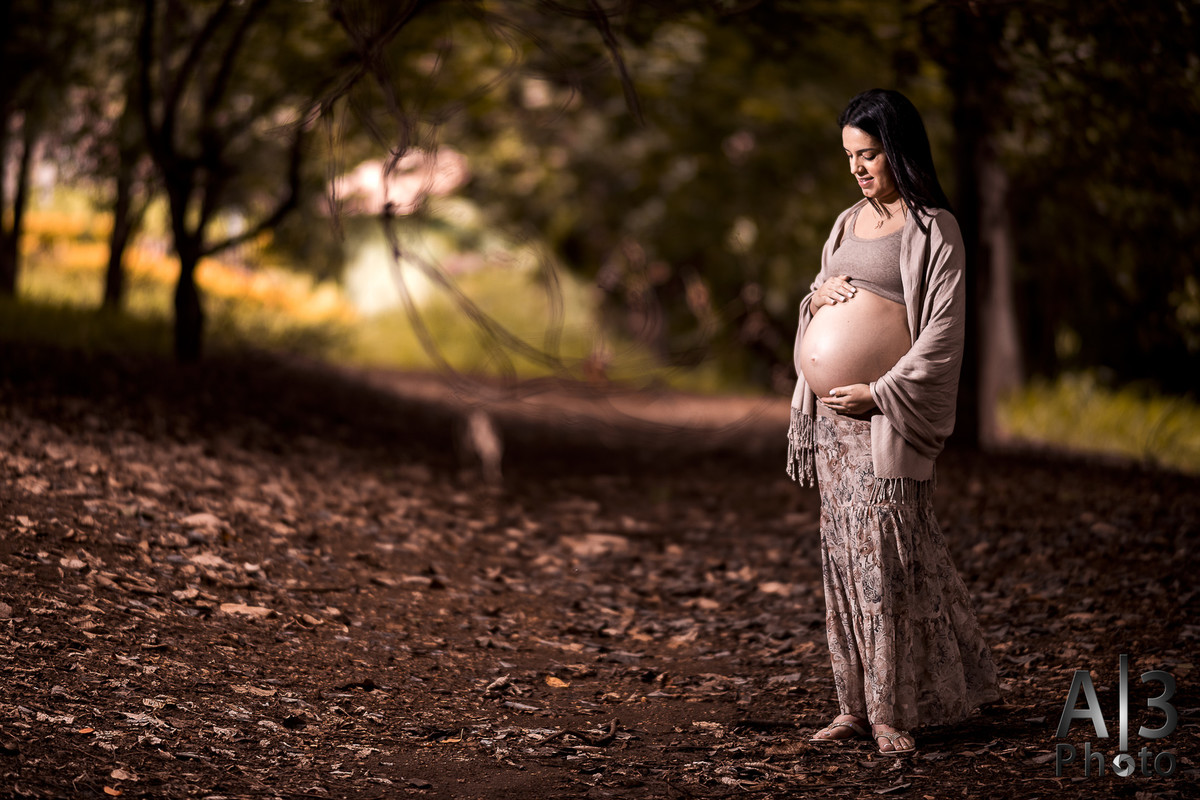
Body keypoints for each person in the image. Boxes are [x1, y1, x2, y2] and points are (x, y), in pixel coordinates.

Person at [787, 89, 1000, 756]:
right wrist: (814, 300)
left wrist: (879, 391)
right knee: (843, 565)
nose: (857, 167)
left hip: (885, 418)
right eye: (850, 155)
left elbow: (941, 335)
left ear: (900, 150)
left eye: (870, 153)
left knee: (887, 565)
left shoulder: (936, 229)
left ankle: (890, 712)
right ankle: (851, 706)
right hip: (833, 427)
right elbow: (820, 301)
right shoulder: (846, 223)